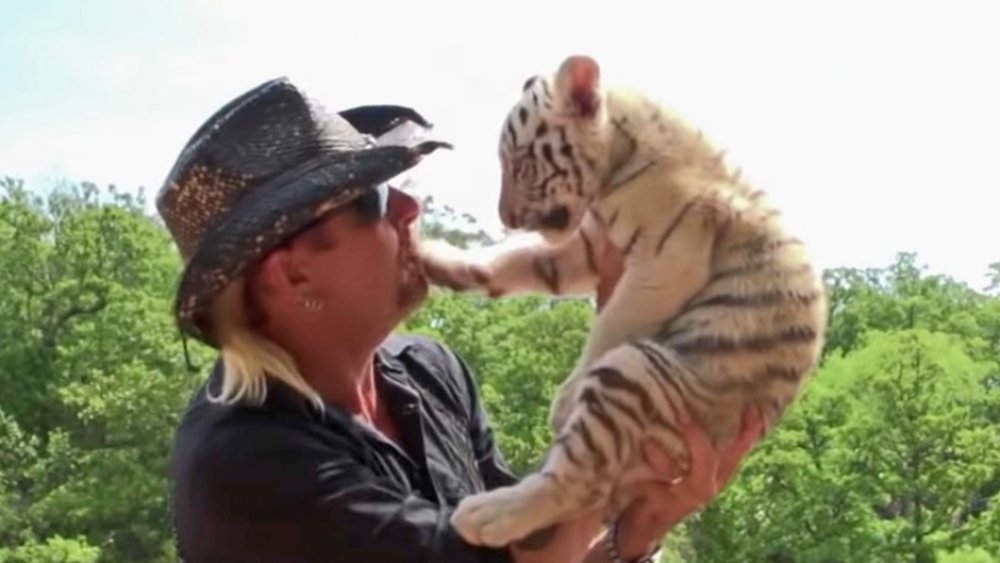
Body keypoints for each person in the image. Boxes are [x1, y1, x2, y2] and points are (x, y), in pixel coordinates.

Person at [160, 77, 764, 563]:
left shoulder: (428, 371)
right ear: (291, 275)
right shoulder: (244, 465)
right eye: (370, 199)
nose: (408, 205)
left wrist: (635, 536)